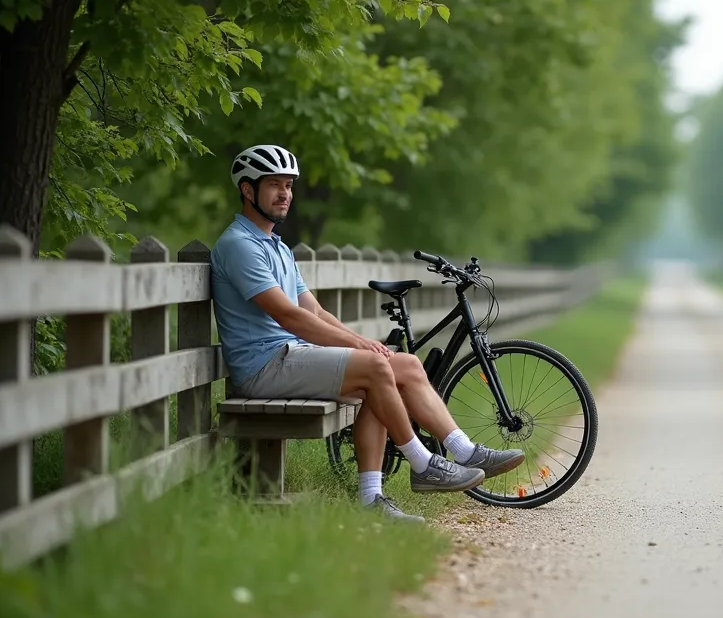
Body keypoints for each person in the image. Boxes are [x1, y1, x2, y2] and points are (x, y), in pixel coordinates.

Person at [210, 143, 525, 522]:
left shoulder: (277, 247)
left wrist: (362, 343)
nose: (285, 194)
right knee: (377, 371)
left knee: (403, 365)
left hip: (288, 356)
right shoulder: (239, 246)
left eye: (289, 185)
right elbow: (290, 317)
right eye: (275, 184)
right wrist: (359, 346)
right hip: (264, 366)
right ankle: (423, 464)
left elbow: (314, 310)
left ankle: (447, 459)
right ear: (247, 190)